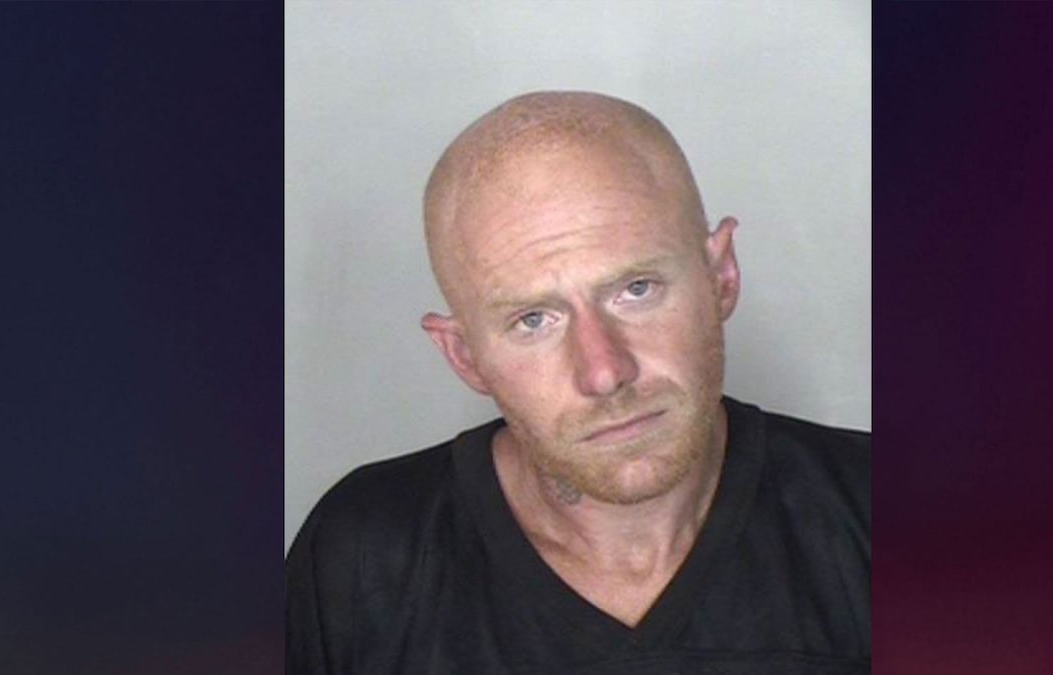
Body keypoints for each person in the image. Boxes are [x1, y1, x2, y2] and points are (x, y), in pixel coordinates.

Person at [286, 91, 870, 674]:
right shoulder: (362, 558)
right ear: (465, 356)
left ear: (721, 276)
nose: (604, 373)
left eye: (636, 290)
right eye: (533, 320)